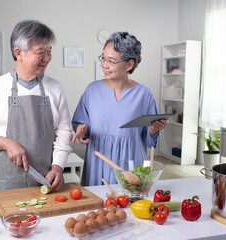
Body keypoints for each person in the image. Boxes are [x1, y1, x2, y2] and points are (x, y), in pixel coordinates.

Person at [0, 20, 72, 192]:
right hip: (5, 182)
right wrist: (5, 143)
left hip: (46, 180)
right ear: (19, 53)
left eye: (49, 52)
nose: (47, 58)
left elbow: (64, 130)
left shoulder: (55, 87)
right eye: (41, 52)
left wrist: (58, 167)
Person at [72, 31, 168, 186]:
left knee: (133, 206)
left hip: (131, 163)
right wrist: (82, 130)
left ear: (129, 64)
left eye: (111, 61)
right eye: (103, 58)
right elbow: (81, 123)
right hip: (98, 161)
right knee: (99, 207)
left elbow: (147, 136)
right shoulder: (92, 90)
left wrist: (154, 129)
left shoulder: (143, 94)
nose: (104, 64)